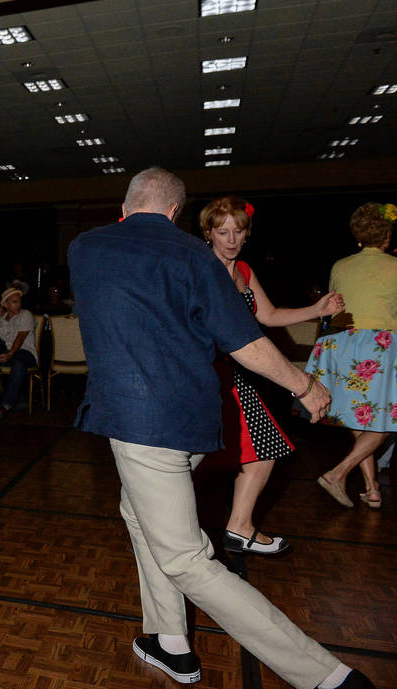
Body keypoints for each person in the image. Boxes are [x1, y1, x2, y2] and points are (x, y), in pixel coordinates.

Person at [68, 167, 375, 689]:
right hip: (193, 424)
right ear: (174, 214)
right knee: (138, 513)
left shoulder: (83, 248)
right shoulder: (193, 255)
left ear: (124, 208)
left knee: (187, 558)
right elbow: (242, 341)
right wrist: (306, 385)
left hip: (141, 426)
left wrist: (302, 385)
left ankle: (327, 677)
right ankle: (170, 641)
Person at [199, 196, 344, 554]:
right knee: (197, 456)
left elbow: (269, 315)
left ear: (247, 234)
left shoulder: (244, 270)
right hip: (206, 376)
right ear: (209, 234)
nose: (231, 239)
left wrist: (316, 309)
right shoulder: (201, 268)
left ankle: (238, 527)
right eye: (223, 232)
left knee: (262, 448)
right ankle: (169, 525)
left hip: (239, 375)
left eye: (238, 231)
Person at [309, 202, 397, 509]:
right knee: (386, 420)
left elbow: (334, 309)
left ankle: (372, 488)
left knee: (364, 418)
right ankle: (338, 473)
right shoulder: (395, 267)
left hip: (342, 344)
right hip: (380, 346)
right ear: (386, 235)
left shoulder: (340, 266)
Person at [0, 286, 38, 420]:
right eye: (14, 301)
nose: (18, 304)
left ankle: (5, 405)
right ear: (6, 304)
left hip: (25, 353)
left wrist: (10, 354)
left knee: (19, 362)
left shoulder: (26, 314)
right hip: (6, 354)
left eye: (19, 301)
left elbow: (20, 338)